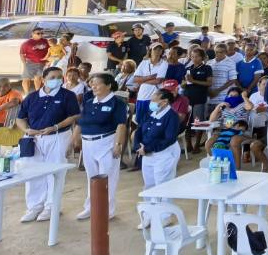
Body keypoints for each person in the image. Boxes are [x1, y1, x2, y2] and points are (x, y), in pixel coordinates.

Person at [18, 65, 81, 223]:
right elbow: (20, 118)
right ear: (43, 79)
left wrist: (55, 127)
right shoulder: (32, 97)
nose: (57, 80)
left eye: (60, 77)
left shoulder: (68, 95)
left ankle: (52, 206)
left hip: (57, 136)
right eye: (52, 77)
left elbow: (74, 116)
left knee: (55, 171)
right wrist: (27, 129)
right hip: (34, 138)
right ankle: (34, 206)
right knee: (33, 171)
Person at [73, 73, 128, 221]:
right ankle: (90, 207)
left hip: (106, 142)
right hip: (88, 143)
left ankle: (107, 210)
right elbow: (81, 122)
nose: (93, 86)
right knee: (92, 177)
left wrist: (118, 145)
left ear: (109, 85)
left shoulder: (117, 103)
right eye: (92, 83)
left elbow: (121, 126)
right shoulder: (90, 101)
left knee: (107, 178)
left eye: (97, 83)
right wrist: (76, 138)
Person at [136, 87, 183, 189]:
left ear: (164, 102)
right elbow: (140, 129)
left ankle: (163, 205)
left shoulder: (172, 116)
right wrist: (137, 145)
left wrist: (147, 148)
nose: (150, 103)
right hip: (147, 154)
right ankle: (150, 205)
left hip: (164, 154)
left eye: (153, 101)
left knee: (162, 185)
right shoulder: (150, 113)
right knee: (149, 185)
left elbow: (169, 139)